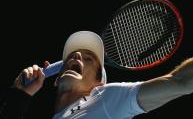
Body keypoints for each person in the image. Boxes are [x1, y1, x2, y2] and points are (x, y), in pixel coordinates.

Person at [0, 31, 193, 119]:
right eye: (73, 56)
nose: (76, 55)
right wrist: (19, 96)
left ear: (98, 84)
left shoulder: (106, 97)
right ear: (56, 78)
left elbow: (181, 82)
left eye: (89, 59)